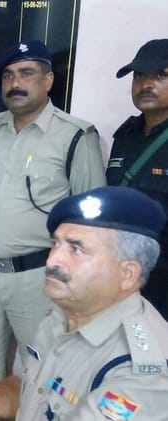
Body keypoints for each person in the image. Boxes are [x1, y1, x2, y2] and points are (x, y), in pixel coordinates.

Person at [0, 186, 168, 420]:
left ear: (127, 274)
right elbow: (31, 394)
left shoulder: (142, 374)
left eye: (76, 249)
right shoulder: (61, 314)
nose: (53, 260)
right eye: (56, 244)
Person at [0, 40, 106, 414]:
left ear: (48, 80)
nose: (15, 83)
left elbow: (92, 220)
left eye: (27, 73)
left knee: (41, 374)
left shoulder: (75, 136)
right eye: (8, 75)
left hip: (39, 279)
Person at [107, 39, 168, 320]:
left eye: (161, 75)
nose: (146, 84)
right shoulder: (125, 136)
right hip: (120, 277)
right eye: (139, 76)